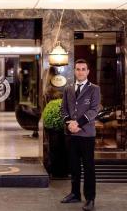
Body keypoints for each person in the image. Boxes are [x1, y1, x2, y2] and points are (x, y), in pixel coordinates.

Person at [60, 59, 100, 211]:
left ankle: (90, 199)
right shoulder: (68, 88)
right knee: (74, 166)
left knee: (89, 168)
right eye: (78, 69)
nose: (80, 72)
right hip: (72, 135)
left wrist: (78, 123)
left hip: (87, 135)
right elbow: (63, 109)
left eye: (83, 69)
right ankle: (75, 194)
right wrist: (69, 123)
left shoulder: (94, 89)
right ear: (74, 71)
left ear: (88, 71)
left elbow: (94, 110)